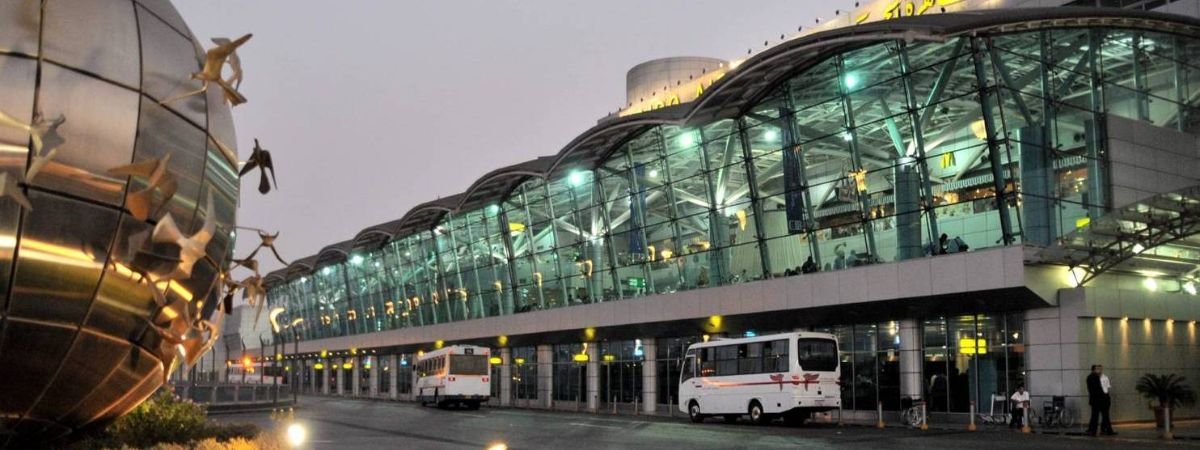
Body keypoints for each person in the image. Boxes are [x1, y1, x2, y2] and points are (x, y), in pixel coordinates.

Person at [1086, 364, 1116, 436]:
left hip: (1096, 399)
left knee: (1097, 416)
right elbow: (1098, 389)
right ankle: (1105, 430)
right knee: (1102, 415)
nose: (1099, 370)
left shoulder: (1091, 377)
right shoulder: (1095, 377)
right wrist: (1105, 396)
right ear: (1094, 370)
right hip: (1100, 399)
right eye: (1097, 369)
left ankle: (1094, 431)